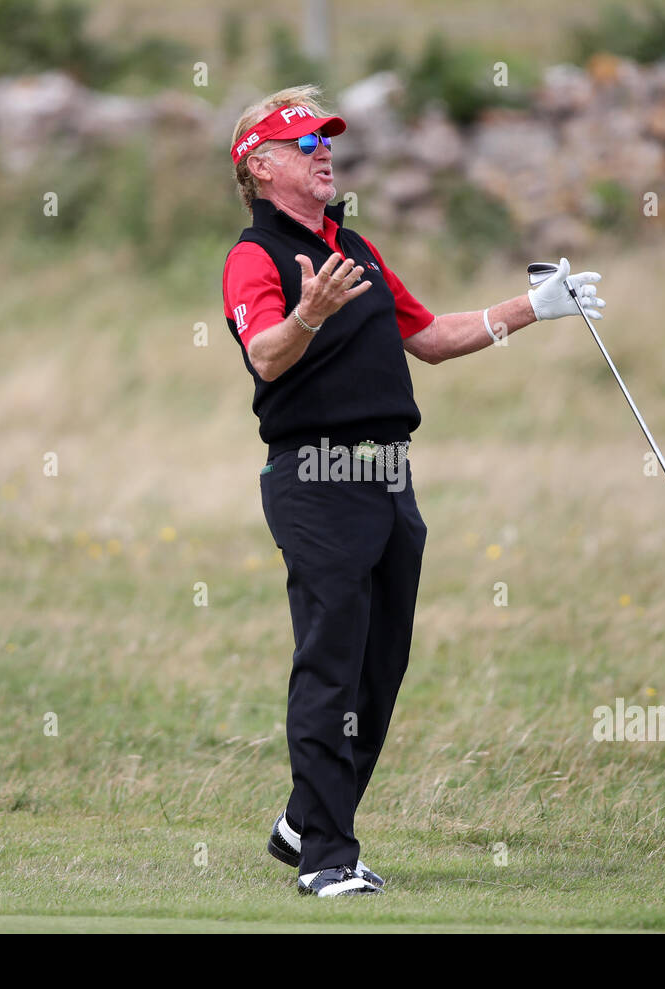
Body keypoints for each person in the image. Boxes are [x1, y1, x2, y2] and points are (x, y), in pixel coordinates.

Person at [221, 84, 606, 897]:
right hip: (316, 479)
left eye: (326, 140)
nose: (323, 152)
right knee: (330, 667)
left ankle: (303, 821)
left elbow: (429, 337)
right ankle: (327, 857)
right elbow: (265, 356)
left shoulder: (354, 249)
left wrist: (535, 307)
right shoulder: (253, 259)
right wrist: (311, 316)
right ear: (259, 166)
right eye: (303, 144)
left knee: (379, 668)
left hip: (388, 476)